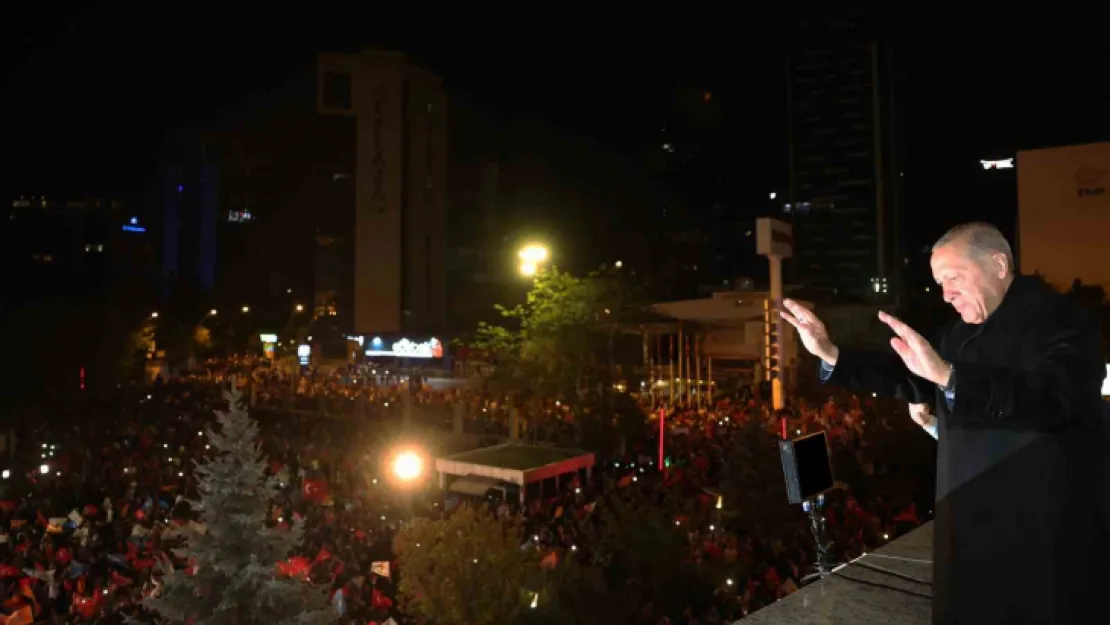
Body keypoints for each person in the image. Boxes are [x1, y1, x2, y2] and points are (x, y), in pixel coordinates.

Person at [780, 222, 1107, 625]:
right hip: (969, 529)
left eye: (953, 278)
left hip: (1042, 538)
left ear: (999, 265)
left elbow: (1054, 399)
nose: (946, 293)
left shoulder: (1065, 322)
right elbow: (911, 374)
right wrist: (831, 353)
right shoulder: (959, 334)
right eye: (939, 283)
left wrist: (953, 378)